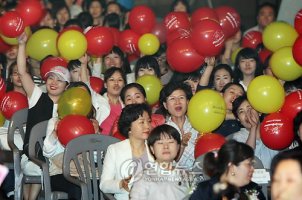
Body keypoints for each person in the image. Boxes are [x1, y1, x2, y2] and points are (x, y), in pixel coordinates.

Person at [17, 32, 70, 200]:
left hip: (57, 157)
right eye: (51, 78)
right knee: (43, 168)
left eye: (59, 80)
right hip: (33, 156)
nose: (53, 83)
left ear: (67, 86)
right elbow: (22, 73)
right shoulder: (38, 97)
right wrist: (21, 45)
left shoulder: (69, 107)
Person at [43, 82, 98, 200]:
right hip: (60, 173)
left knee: (100, 186)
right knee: (78, 188)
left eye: (84, 96)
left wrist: (95, 135)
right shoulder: (55, 121)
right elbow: (47, 152)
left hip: (86, 172)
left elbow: (95, 159)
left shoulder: (91, 124)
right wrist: (55, 132)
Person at [100, 103, 155, 200]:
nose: (147, 126)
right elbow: (104, 184)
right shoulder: (114, 150)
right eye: (142, 122)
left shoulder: (156, 147)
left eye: (149, 121)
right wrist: (121, 184)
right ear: (129, 127)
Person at [190, 140, 265, 200]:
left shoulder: (253, 188)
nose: (252, 169)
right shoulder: (205, 191)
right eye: (249, 164)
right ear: (231, 166)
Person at [130, 124, 190, 200]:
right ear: (152, 149)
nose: (166, 146)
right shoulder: (144, 177)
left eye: (170, 142)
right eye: (160, 143)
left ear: (178, 147)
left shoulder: (187, 176)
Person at [231, 95, 278, 169]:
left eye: (249, 108)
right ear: (238, 119)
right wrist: (253, 127)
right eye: (241, 111)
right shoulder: (238, 137)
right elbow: (245, 157)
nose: (247, 114)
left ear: (259, 112)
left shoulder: (272, 129)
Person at [158, 82, 198, 170]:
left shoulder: (198, 125)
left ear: (187, 102)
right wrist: (182, 145)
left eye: (181, 98)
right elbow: (166, 163)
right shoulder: (163, 132)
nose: (177, 102)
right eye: (172, 99)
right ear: (165, 105)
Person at [99, 67, 126, 135]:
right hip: (100, 142)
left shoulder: (126, 105)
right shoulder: (98, 101)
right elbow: (87, 84)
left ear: (124, 85)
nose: (116, 83)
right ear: (105, 84)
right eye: (112, 80)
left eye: (120, 80)